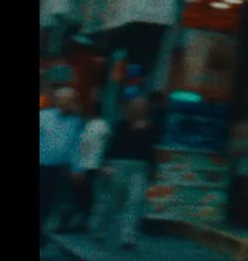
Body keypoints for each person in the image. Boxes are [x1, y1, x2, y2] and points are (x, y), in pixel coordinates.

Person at [91, 94, 159, 249]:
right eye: (137, 104)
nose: (140, 108)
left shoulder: (152, 127)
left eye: (143, 105)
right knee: (112, 201)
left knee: (135, 201)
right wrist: (105, 164)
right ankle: (99, 228)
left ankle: (128, 235)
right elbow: (111, 146)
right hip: (118, 165)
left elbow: (152, 151)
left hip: (140, 167)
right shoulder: (121, 125)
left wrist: (153, 169)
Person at [37, 87, 84, 252]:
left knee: (47, 202)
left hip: (56, 168)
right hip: (40, 165)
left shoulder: (75, 121)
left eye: (72, 100)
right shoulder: (44, 117)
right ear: (58, 101)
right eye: (66, 100)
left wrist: (77, 168)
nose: (69, 103)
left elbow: (75, 146)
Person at [59, 104, 112, 233]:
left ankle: (68, 223)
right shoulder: (103, 127)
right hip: (92, 165)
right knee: (85, 196)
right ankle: (82, 222)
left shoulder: (91, 127)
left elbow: (84, 146)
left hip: (85, 165)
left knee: (76, 196)